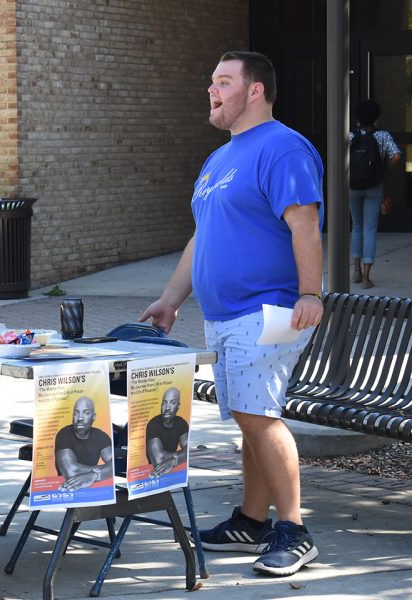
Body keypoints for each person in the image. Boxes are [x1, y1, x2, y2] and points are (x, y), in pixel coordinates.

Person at [140, 51, 324, 577]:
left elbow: (304, 224)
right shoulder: (219, 160)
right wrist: (172, 299)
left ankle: (293, 529)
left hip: (269, 309)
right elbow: (202, 238)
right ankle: (251, 519)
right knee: (248, 415)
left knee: (259, 417)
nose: (211, 91)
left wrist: (311, 292)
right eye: (211, 82)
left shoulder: (283, 147)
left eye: (223, 82)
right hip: (226, 314)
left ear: (255, 91)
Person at [348, 99, 402, 289]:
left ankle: (356, 271)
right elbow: (396, 155)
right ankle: (366, 277)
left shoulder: (350, 136)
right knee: (369, 229)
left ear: (358, 119)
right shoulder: (382, 136)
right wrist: (383, 167)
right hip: (374, 186)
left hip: (353, 186)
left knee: (356, 227)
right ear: (375, 118)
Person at [54, 396, 116, 491]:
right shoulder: (64, 434)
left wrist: (93, 476)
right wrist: (103, 471)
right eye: (76, 413)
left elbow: (114, 464)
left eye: (86, 413)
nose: (80, 418)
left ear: (93, 417)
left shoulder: (101, 436)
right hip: (66, 488)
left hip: (92, 486)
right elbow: (71, 471)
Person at [145, 387, 189, 478]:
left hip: (169, 470)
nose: (167, 407)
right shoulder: (154, 424)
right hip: (154, 474)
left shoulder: (181, 423)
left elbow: (189, 451)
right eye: (164, 403)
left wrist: (173, 461)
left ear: (178, 405)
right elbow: (159, 459)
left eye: (172, 403)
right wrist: (181, 456)